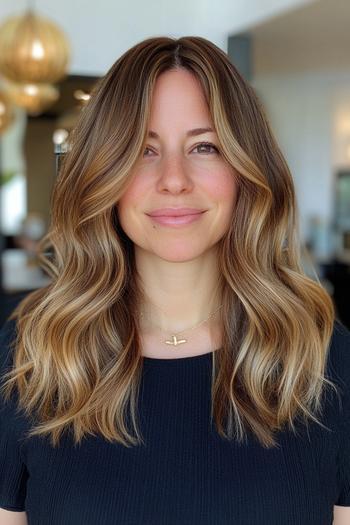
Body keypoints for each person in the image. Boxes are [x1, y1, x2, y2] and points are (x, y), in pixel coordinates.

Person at [0, 35, 349, 525]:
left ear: (246, 169)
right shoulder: (32, 357)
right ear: (105, 174)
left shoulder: (323, 359)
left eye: (204, 146)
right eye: (143, 149)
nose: (174, 179)